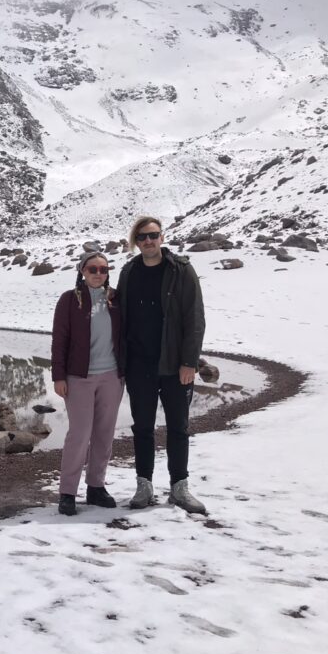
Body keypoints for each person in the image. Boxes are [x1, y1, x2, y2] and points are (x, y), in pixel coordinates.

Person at [116, 216, 207, 514]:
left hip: (174, 365)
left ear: (162, 237)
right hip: (139, 364)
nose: (148, 241)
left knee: (178, 427)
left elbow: (195, 318)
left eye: (153, 235)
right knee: (142, 427)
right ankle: (144, 486)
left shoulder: (181, 270)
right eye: (142, 237)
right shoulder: (129, 271)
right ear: (135, 241)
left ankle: (180, 488)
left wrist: (189, 362)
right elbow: (121, 317)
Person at [51, 251, 124, 516]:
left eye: (103, 269)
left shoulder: (116, 299)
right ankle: (68, 492)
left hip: (112, 377)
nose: (98, 274)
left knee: (104, 434)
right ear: (83, 271)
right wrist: (58, 376)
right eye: (92, 269)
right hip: (78, 378)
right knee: (79, 434)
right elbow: (59, 340)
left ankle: (96, 487)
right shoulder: (69, 300)